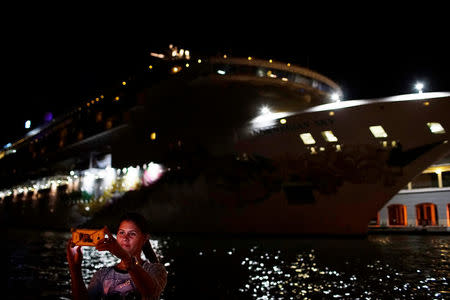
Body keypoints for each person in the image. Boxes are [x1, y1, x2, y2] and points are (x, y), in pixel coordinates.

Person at [66, 212, 167, 299]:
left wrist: (125, 257)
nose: (125, 238)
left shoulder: (155, 270)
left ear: (144, 238)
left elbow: (150, 292)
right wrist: (75, 269)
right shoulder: (102, 275)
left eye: (132, 234)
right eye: (121, 232)